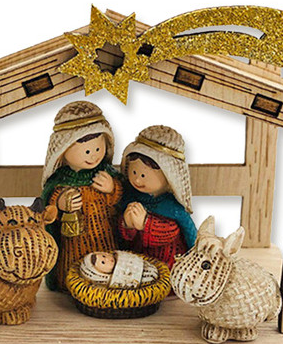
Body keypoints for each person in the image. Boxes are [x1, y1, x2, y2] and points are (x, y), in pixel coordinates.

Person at [40, 101, 123, 292]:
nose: (93, 156)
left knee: (107, 264)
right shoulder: (60, 180)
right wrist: (60, 202)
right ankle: (74, 285)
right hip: (74, 241)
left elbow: (121, 199)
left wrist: (112, 188)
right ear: (63, 151)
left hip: (104, 235)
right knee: (74, 268)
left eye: (98, 149)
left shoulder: (106, 173)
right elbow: (48, 206)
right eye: (87, 151)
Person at [117, 124, 197, 270]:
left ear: (169, 177)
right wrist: (127, 224)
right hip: (137, 260)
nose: (137, 180)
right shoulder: (130, 197)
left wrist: (145, 224)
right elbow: (123, 237)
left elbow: (184, 232)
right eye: (134, 173)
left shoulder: (172, 207)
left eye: (143, 176)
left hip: (167, 260)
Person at [79, 249, 160, 289]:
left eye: (104, 256)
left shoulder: (120, 256)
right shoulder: (115, 280)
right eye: (103, 262)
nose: (107, 259)